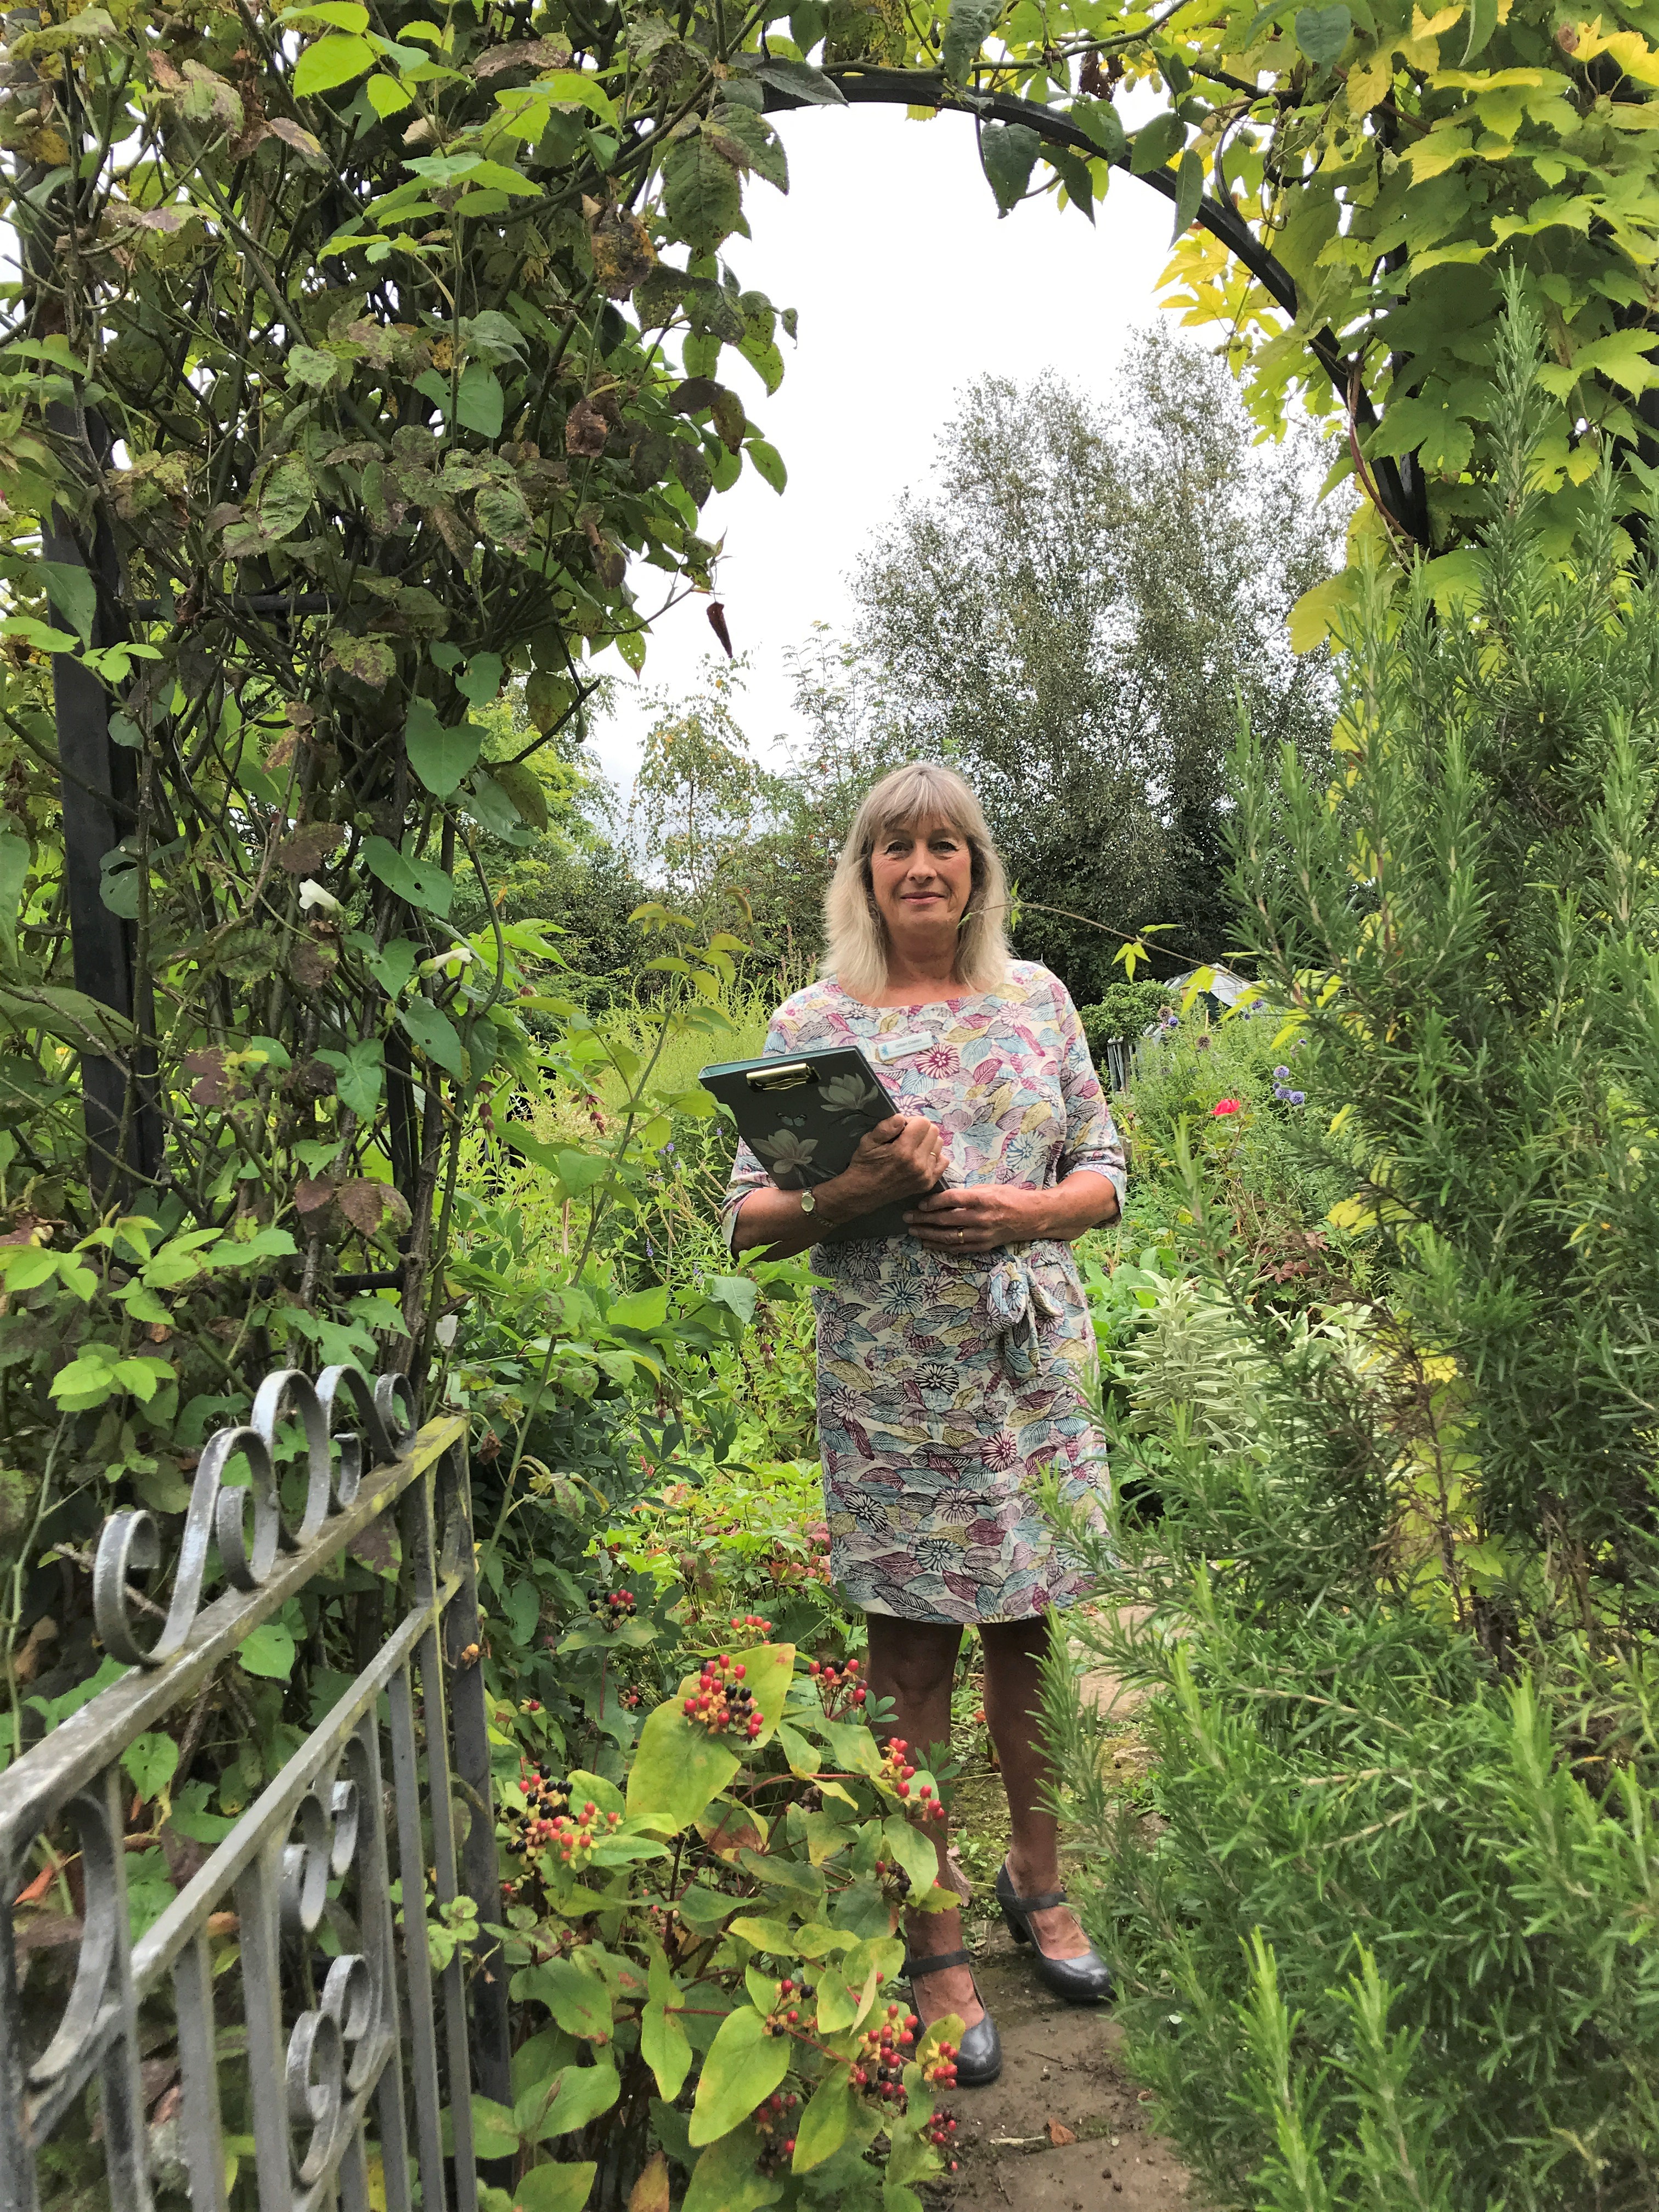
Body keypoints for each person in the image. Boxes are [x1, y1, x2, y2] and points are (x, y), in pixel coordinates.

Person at [723, 762, 1124, 2088]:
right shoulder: (813, 1023)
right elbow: (749, 1222)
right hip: (892, 1382)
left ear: (977, 870)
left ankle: (1039, 1880)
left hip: (1027, 1366)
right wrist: (856, 1190)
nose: (923, 867)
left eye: (947, 845)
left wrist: (1029, 1211)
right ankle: (935, 1931)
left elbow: (1107, 1171)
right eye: (896, 847)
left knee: (1030, 1630)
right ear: (864, 873)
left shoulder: (1039, 998)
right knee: (909, 1652)